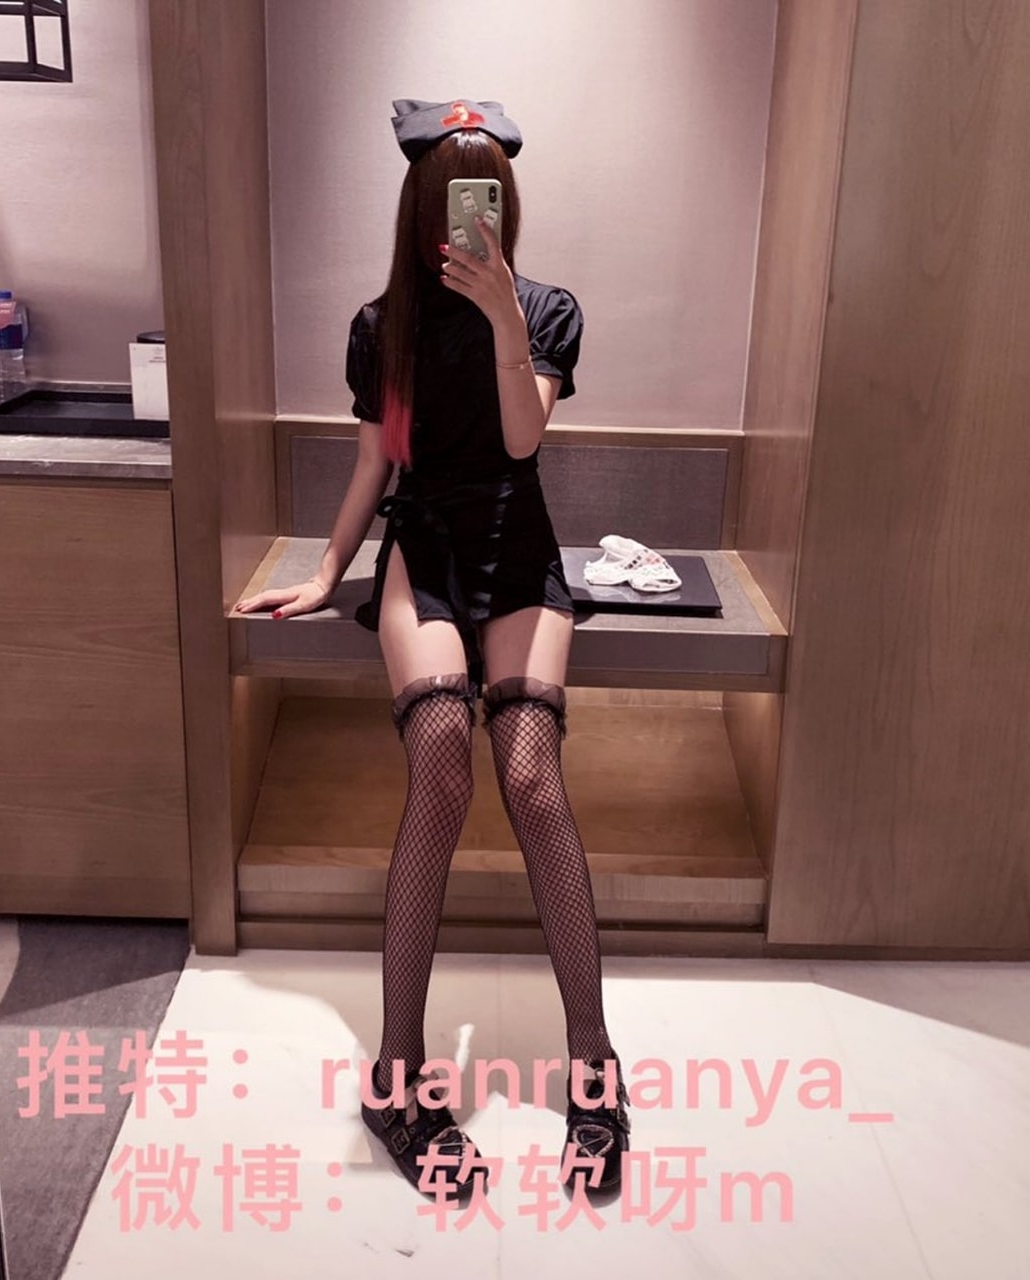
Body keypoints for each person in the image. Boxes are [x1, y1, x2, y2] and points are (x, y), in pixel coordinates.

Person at [235, 98, 630, 1201]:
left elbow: (522, 438)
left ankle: (594, 1060)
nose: (473, 217)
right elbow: (377, 463)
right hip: (427, 548)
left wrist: (504, 318)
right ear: (423, 210)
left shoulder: (547, 311)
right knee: (444, 756)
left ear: (506, 206)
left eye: (487, 198)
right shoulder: (383, 327)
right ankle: (396, 1079)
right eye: (456, 200)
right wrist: (329, 571)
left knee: (532, 775)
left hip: (517, 544)